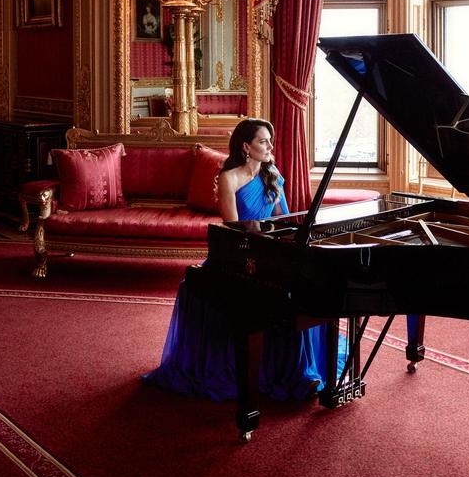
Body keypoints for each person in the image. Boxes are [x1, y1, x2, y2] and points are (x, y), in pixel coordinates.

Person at [143, 118, 340, 402]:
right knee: (255, 294)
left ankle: (299, 370)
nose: (270, 146)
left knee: (303, 289)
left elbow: (282, 221)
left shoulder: (272, 174)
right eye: (263, 141)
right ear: (246, 146)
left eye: (270, 140)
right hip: (238, 257)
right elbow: (233, 232)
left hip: (270, 253)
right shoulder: (229, 178)